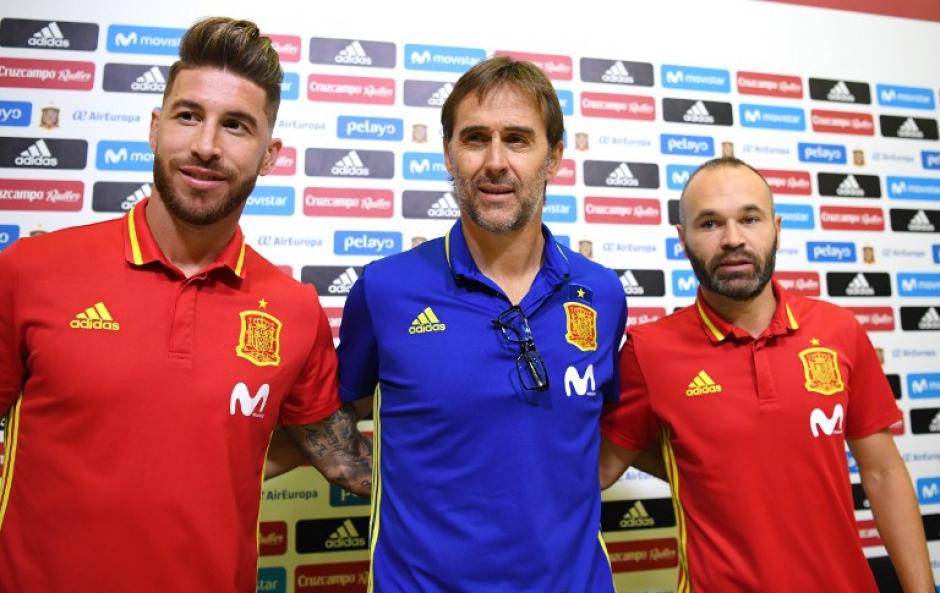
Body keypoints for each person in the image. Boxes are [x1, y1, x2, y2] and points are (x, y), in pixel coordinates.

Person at [0, 17, 371, 593]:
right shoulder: (30, 270)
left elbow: (344, 461)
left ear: (270, 154)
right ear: (155, 128)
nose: (206, 145)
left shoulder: (293, 310)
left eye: (236, 126)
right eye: (188, 115)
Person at [338, 57, 627, 592]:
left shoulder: (602, 294)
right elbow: (333, 413)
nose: (495, 162)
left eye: (518, 139)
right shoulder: (384, 291)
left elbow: (613, 423)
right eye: (475, 139)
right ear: (449, 152)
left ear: (555, 157)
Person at [600, 157, 934, 593]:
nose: (733, 239)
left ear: (776, 226)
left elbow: (883, 473)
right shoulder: (649, 351)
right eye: (710, 224)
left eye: (750, 218)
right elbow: (599, 467)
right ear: (682, 240)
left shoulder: (839, 331)